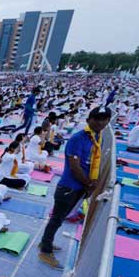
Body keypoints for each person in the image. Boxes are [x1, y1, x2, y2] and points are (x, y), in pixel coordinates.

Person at [38, 106, 112, 268]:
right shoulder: (78, 138)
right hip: (69, 186)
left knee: (59, 218)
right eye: (97, 119)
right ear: (88, 120)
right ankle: (45, 250)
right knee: (56, 218)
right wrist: (89, 183)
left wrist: (89, 183)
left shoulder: (97, 137)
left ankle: (46, 242)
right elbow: (74, 166)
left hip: (80, 186)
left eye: (104, 119)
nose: (101, 122)